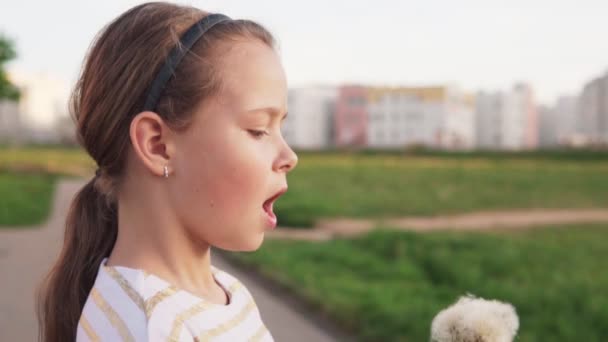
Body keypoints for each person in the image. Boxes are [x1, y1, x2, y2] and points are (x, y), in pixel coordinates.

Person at [37, 2, 298, 341]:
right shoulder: (148, 328)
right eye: (259, 129)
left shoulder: (224, 291)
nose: (289, 156)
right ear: (157, 144)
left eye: (281, 128)